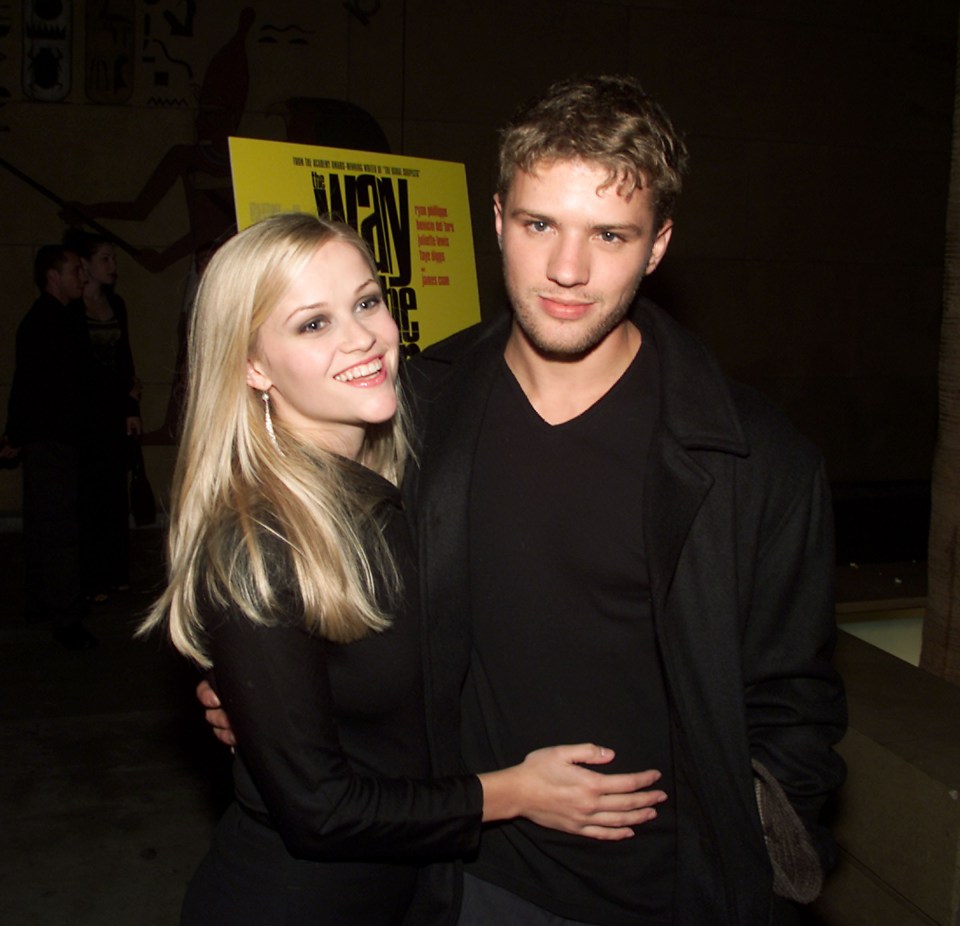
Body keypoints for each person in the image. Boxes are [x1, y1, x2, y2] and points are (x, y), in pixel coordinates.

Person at [202, 76, 847, 925]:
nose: (567, 270)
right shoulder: (412, 411)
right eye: (541, 224)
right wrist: (269, 688)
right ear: (498, 219)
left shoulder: (752, 458)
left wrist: (748, 871)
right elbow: (317, 568)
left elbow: (795, 706)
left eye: (609, 234)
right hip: (465, 880)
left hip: (667, 895)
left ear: (657, 247)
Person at [145, 212, 668, 926]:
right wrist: (515, 792)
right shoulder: (256, 541)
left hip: (417, 893)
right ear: (252, 365)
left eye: (365, 302)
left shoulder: (399, 475)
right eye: (312, 324)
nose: (361, 338)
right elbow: (320, 810)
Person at [5, 244, 95, 649]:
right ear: (53, 277)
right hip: (53, 439)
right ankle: (65, 617)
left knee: (48, 524)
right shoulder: (46, 322)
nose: (83, 276)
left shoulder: (60, 319)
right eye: (76, 269)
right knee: (58, 527)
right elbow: (31, 385)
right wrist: (16, 434)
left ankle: (46, 604)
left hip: (53, 438)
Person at [64, 229, 142, 600]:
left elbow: (125, 358)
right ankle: (92, 578)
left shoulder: (118, 304)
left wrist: (130, 405)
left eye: (114, 259)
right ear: (85, 265)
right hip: (86, 415)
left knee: (115, 493)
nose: (113, 267)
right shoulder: (71, 308)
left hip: (114, 411)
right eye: (105, 260)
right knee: (89, 495)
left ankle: (117, 573)